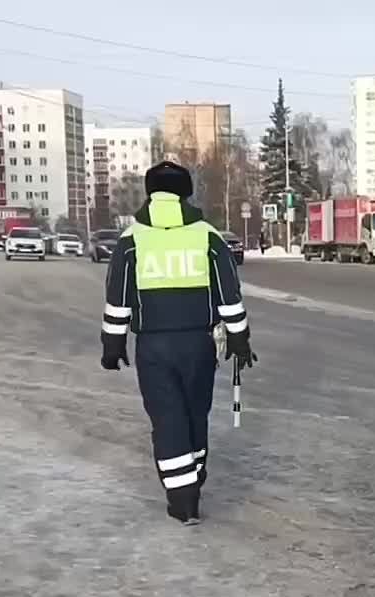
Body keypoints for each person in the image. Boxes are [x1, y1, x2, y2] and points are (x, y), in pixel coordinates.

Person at [100, 161, 257, 525]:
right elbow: (229, 293)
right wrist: (239, 337)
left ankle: (181, 500)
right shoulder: (207, 236)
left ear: (150, 192)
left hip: (153, 348)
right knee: (193, 415)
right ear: (186, 192)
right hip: (199, 346)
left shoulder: (132, 240)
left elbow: (119, 297)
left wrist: (113, 343)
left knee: (167, 419)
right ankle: (194, 482)